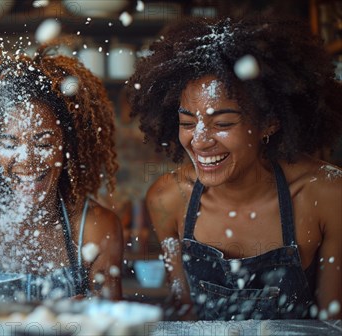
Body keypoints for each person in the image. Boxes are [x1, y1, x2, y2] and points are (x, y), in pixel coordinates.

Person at [128, 16, 342, 320]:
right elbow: (186, 315)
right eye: (187, 123)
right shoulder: (168, 198)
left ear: (270, 121)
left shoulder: (327, 194)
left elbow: (334, 324)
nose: (199, 142)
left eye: (223, 124)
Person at [0, 45, 123, 300]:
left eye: (44, 144)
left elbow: (113, 322)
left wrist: (90, 310)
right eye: (10, 144)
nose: (27, 160)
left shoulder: (94, 228)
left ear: (67, 147)